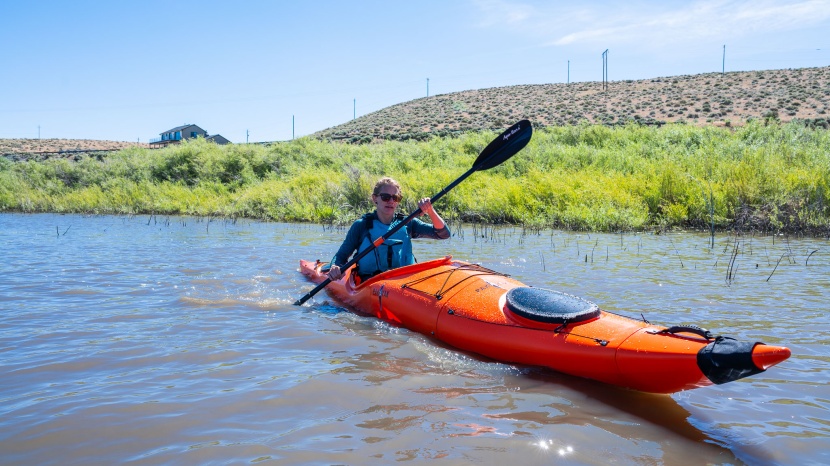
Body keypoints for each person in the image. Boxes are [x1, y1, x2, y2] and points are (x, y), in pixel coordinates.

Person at [327, 177, 450, 282]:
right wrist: (335, 267)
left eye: (395, 198)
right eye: (385, 197)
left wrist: (430, 210)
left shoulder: (408, 223)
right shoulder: (361, 225)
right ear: (375, 198)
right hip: (369, 283)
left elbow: (443, 234)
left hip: (405, 282)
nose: (391, 201)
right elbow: (341, 256)